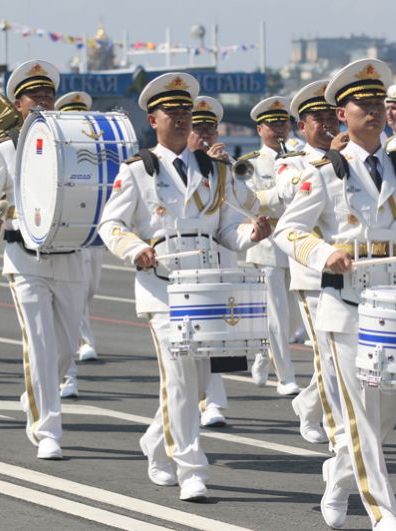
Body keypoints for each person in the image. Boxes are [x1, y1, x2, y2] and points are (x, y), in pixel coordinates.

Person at [273, 58, 396, 530]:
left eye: (378, 103)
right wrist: (322, 255)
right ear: (342, 114)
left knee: (386, 414)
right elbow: (288, 231)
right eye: (362, 104)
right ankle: (382, 513)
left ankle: (337, 478)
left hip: (395, 309)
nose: (373, 111)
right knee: (357, 415)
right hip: (346, 306)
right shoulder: (325, 171)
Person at [98, 72, 271, 501]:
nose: (180, 119)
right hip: (162, 287)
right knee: (178, 378)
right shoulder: (138, 169)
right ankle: (191, 467)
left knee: (196, 382)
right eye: (171, 113)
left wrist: (252, 235)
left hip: (208, 288)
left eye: (185, 112)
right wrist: (135, 248)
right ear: (152, 120)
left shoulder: (214, 170)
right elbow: (111, 224)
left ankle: (156, 441)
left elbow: (227, 229)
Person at [0, 60, 88, 459]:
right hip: (25, 257)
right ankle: (47, 428)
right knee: (38, 344)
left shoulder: (75, 142)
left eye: (47, 94)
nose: (41, 100)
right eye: (33, 96)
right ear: (17, 104)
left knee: (68, 347)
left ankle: (36, 394)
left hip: (70, 255)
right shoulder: (4, 148)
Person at [273, 79, 343, 445]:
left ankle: (310, 402)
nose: (329, 124)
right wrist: (329, 158)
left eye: (334, 116)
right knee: (328, 353)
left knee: (344, 354)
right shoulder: (291, 162)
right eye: (319, 118)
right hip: (313, 271)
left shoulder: (351, 154)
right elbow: (288, 190)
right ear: (302, 126)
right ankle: (337, 434)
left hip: (353, 271)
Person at [238, 96, 300, 396]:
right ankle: (286, 376)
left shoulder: (301, 154)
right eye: (272, 124)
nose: (279, 129)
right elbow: (251, 201)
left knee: (293, 318)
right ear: (260, 129)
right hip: (268, 242)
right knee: (276, 313)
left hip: (300, 241)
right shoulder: (249, 163)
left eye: (283, 123)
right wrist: (285, 191)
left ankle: (264, 352)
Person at [186, 95, 234, 429]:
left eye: (210, 128)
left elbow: (244, 206)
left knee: (220, 336)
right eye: (198, 127)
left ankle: (214, 400)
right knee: (193, 343)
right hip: (188, 263)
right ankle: (199, 400)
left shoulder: (223, 168)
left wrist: (228, 171)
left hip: (222, 256)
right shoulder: (176, 167)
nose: (205, 134)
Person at [53, 91, 98, 401]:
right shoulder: (54, 148)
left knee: (90, 290)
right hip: (59, 239)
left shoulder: (96, 149)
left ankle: (80, 342)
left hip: (91, 235)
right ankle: (69, 368)